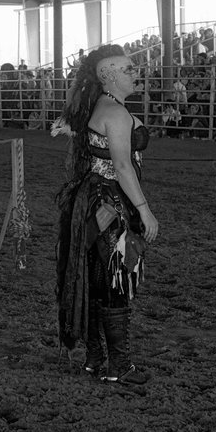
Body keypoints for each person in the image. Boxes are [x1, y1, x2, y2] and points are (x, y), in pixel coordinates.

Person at [54, 45, 160, 384]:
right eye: (127, 69)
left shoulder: (103, 107)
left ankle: (97, 358)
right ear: (108, 75)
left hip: (95, 200)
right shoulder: (113, 113)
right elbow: (123, 165)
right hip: (109, 203)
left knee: (99, 278)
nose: (135, 72)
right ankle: (118, 365)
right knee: (114, 279)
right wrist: (145, 211)